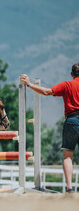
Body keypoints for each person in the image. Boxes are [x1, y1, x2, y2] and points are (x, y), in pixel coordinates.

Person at [20, 63, 79, 193]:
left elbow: (46, 92)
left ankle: (69, 188)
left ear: (71, 74)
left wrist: (29, 84)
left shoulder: (67, 84)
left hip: (72, 121)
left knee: (68, 156)